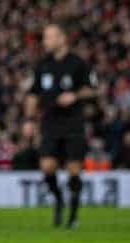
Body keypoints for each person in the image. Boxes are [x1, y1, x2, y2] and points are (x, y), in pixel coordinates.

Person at [24, 21, 99, 229]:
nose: (45, 41)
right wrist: (29, 120)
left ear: (62, 39)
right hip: (49, 122)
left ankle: (73, 216)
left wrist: (74, 95)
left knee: (74, 169)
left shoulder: (78, 64)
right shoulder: (42, 65)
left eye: (49, 37)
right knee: (47, 167)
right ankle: (58, 201)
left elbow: (92, 89)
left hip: (73, 123)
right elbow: (32, 94)